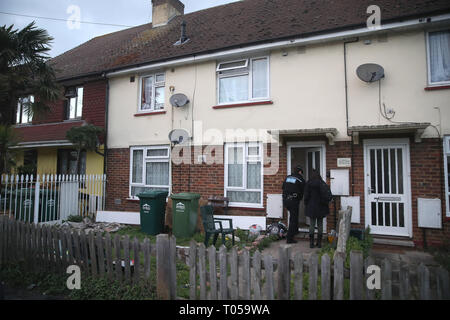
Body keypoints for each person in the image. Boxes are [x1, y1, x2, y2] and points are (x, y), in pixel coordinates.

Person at [304, 169, 331, 248]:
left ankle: (311, 243)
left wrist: (306, 204)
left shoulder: (308, 183)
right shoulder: (321, 183)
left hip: (311, 206)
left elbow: (306, 196)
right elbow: (326, 195)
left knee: (312, 224)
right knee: (320, 224)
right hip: (321, 206)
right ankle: (319, 243)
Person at [282, 165, 305, 244]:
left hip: (286, 200)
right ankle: (289, 238)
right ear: (299, 172)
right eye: (301, 172)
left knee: (293, 217)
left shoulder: (287, 178)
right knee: (293, 219)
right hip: (293, 201)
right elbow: (304, 190)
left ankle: (295, 231)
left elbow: (283, 187)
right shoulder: (300, 179)